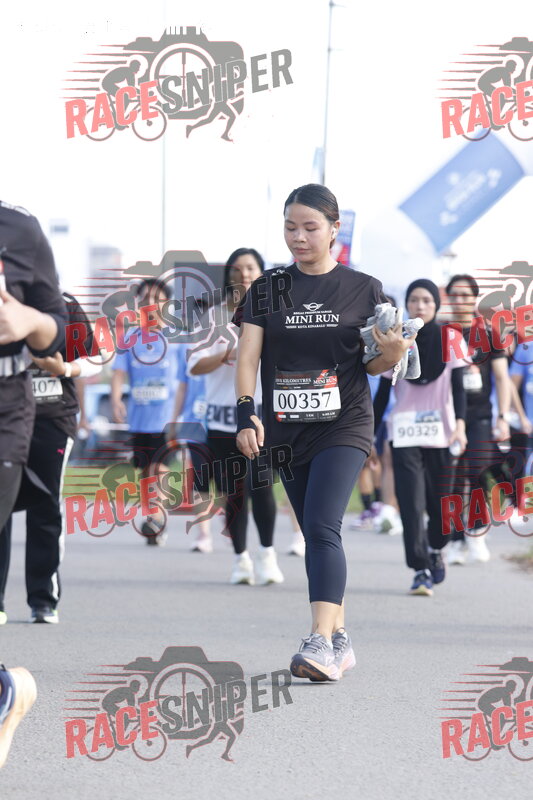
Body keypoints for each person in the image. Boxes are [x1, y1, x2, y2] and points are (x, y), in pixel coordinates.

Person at [233, 184, 413, 681]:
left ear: (335, 229)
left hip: (345, 423)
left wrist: (392, 355)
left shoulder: (365, 288)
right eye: (290, 227)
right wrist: (247, 413)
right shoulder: (267, 289)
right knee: (317, 533)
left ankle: (318, 642)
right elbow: (248, 358)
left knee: (320, 525)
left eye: (310, 227)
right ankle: (340, 638)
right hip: (287, 430)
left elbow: (374, 362)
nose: (299, 237)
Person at [0, 292, 101, 624]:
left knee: (45, 504)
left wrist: (65, 368)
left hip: (52, 418)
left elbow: (98, 357)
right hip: (5, 418)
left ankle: (43, 600)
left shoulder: (63, 303)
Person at [188, 248, 283, 586]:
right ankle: (241, 559)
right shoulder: (212, 317)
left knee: (263, 486)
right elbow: (194, 365)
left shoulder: (275, 313)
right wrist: (229, 354)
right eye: (238, 269)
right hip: (222, 420)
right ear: (229, 275)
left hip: (261, 418)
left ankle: (267, 554)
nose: (244, 275)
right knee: (234, 492)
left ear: (262, 273)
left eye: (251, 268)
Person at [373, 279, 467, 597]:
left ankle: (436, 548)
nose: (420, 306)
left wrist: (461, 425)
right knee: (411, 503)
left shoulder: (452, 338)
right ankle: (420, 568)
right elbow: (382, 394)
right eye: (414, 300)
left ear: (436, 305)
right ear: (407, 304)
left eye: (427, 300)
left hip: (442, 432)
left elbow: (459, 387)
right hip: (404, 432)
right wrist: (369, 435)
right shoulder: (395, 339)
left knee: (441, 505)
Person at [444, 274, 511, 565]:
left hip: (481, 414)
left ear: (474, 298)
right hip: (448, 416)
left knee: (479, 470)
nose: (460, 300)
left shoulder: (488, 333)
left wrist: (503, 417)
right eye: (455, 295)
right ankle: (455, 540)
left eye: (465, 295)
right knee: (453, 478)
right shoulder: (441, 333)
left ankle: (477, 530)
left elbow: (502, 377)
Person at [111, 278, 180, 546]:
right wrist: (116, 399)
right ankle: (152, 515)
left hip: (167, 419)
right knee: (145, 472)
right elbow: (119, 372)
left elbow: (187, 380)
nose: (150, 304)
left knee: (159, 469)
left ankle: (157, 519)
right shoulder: (130, 339)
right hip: (139, 419)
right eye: (145, 299)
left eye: (157, 299)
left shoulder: (177, 339)